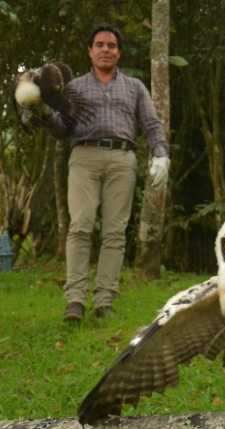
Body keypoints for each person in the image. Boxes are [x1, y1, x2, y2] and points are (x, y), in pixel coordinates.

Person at [42, 24, 169, 322]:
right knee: (81, 225)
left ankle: (104, 300)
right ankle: (74, 300)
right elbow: (62, 129)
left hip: (122, 158)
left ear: (118, 52)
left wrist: (161, 153)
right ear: (90, 51)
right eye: (99, 44)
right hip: (83, 156)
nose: (105, 50)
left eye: (111, 45)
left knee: (114, 231)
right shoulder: (73, 88)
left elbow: (151, 124)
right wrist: (43, 115)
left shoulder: (135, 87)